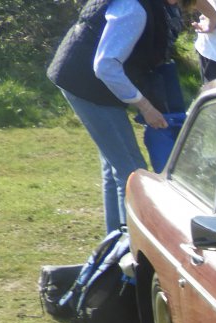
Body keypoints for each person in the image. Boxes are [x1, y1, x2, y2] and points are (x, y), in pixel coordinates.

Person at [48, 0, 180, 234]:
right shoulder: (134, 9)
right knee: (132, 171)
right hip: (86, 85)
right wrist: (145, 106)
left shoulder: (149, 7)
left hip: (92, 83)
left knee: (114, 167)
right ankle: (129, 252)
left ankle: (114, 244)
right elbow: (105, 66)